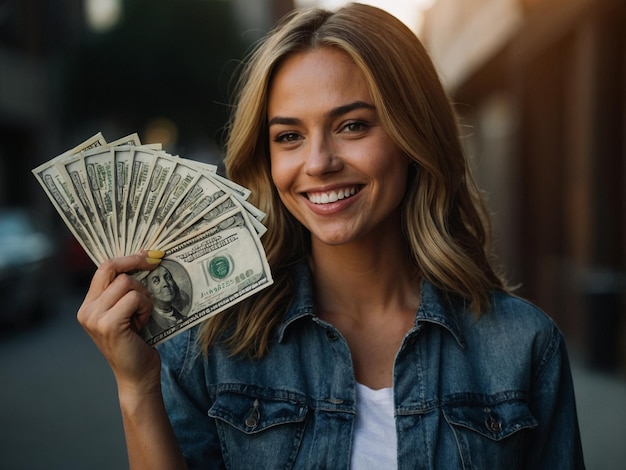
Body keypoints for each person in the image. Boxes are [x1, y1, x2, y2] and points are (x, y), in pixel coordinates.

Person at [77, 3, 585, 469]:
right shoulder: (213, 344)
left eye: (353, 126)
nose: (318, 163)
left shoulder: (524, 347)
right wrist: (136, 388)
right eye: (289, 137)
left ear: (414, 135)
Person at [141, 263, 188, 338]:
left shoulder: (181, 316)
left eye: (168, 278)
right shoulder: (147, 323)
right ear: (147, 289)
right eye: (156, 280)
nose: (165, 284)